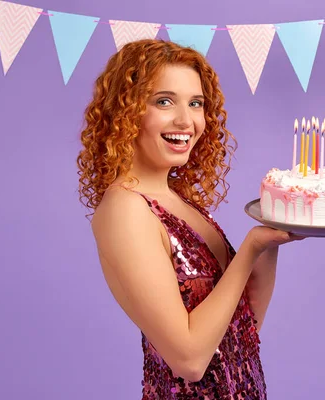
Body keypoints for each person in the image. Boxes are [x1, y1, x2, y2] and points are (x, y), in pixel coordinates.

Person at [76, 39, 303, 399]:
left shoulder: (177, 201)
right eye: (164, 101)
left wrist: (273, 238)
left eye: (195, 103)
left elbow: (243, 327)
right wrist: (250, 247)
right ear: (126, 111)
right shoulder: (125, 209)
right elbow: (190, 361)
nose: (186, 120)